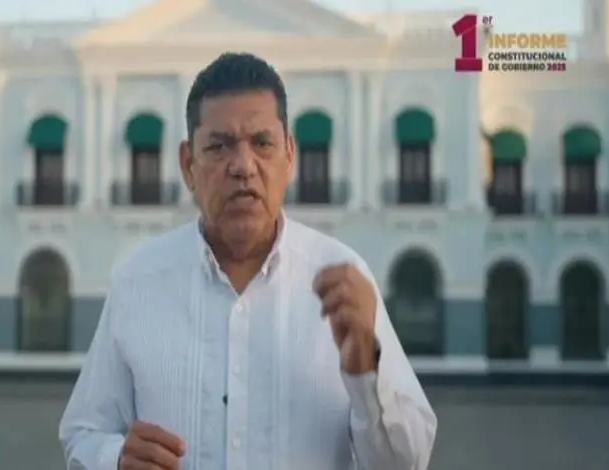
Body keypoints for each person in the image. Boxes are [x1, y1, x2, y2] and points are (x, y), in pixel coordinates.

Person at [60, 52, 437, 470]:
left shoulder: (345, 281)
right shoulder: (138, 281)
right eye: (219, 146)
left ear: (289, 155)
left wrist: (367, 371)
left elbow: (405, 463)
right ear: (188, 164)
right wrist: (114, 459)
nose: (243, 166)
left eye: (262, 143)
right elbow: (83, 433)